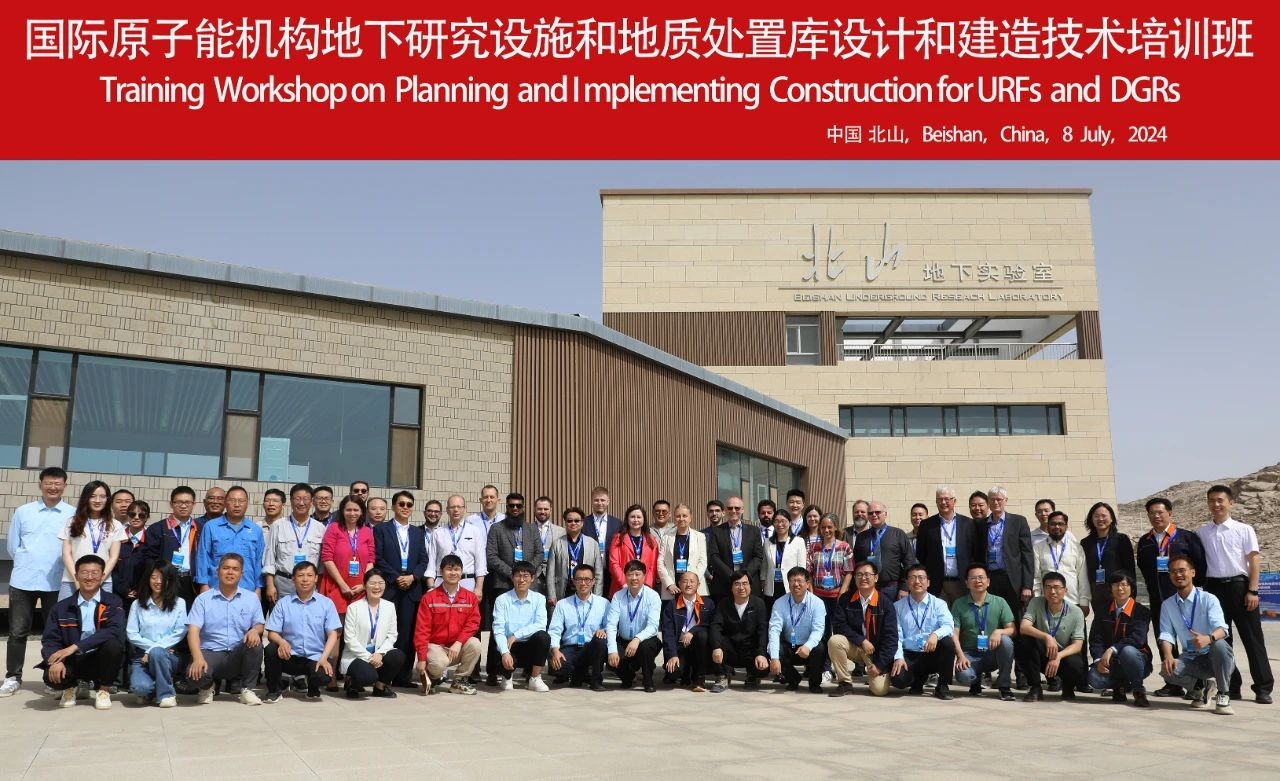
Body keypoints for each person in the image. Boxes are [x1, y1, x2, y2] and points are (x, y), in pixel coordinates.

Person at [3, 467, 77, 698]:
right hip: (23, 580)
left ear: (65, 486)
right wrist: (27, 563)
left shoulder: (72, 514)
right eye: (48, 483)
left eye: (57, 483)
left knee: (53, 633)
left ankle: (51, 677)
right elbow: (13, 546)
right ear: (40, 484)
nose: (53, 487)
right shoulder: (24, 511)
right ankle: (13, 677)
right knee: (17, 632)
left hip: (56, 582)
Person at [1199, 484, 1273, 704]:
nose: (1216, 504)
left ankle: (1263, 688)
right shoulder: (1203, 532)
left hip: (1240, 588)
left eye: (1220, 500)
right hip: (1213, 589)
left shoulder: (1244, 529)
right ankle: (1231, 686)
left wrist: (1252, 590)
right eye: (1212, 500)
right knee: (1222, 641)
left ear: (1230, 503)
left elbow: (1254, 560)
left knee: (1253, 639)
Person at [1136, 497, 1207, 697]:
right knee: (1165, 639)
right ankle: (1173, 683)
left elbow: (1200, 565)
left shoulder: (1186, 537)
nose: (1156, 516)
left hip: (1186, 598)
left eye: (1160, 512)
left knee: (1191, 640)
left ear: (1169, 513)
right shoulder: (1145, 541)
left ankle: (1198, 684)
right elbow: (1143, 567)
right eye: (1152, 513)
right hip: (1159, 600)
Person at [37, 555, 125, 710]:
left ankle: (103, 690)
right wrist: (55, 661)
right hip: (72, 660)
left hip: (99, 659)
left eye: (95, 573)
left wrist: (75, 646)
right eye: (84, 573)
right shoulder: (61, 607)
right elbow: (50, 639)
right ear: (76, 576)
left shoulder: (113, 602)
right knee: (50, 676)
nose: (89, 577)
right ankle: (69, 688)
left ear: (102, 576)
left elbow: (114, 630)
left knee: (114, 646)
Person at [1158, 554, 1236, 715]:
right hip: (1191, 657)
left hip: (1214, 656)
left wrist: (1208, 638)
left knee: (1220, 645)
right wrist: (1168, 656)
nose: (1178, 575)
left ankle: (1223, 693)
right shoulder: (1168, 605)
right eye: (1173, 572)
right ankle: (1201, 687)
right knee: (1167, 670)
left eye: (1182, 570)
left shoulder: (1208, 599)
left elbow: (1223, 629)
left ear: (1192, 572)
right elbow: (1166, 634)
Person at [972, 485, 1033, 688]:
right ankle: (990, 671)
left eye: (999, 499)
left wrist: (1027, 584)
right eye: (992, 499)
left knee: (1018, 626)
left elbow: (1027, 554)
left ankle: (1021, 673)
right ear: (988, 502)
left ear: (1006, 501)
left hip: (1012, 581)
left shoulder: (1018, 521)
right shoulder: (982, 525)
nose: (996, 502)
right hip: (990, 580)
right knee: (989, 624)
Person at [185, 553, 265, 705]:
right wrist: (197, 658)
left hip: (237, 654)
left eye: (235, 569)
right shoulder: (203, 599)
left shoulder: (251, 598)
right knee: (193, 676)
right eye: (226, 568)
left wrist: (255, 630)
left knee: (256, 645)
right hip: (210, 652)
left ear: (241, 574)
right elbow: (193, 631)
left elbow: (259, 624)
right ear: (217, 572)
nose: (230, 572)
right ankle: (207, 687)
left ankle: (247, 689)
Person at [484, 494, 545, 684]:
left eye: (519, 506)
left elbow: (539, 553)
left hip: (527, 583)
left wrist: (525, 573)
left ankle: (528, 669)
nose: (515, 509)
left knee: (529, 624)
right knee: (499, 627)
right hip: (503, 584)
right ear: (507, 507)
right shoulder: (497, 528)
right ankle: (494, 670)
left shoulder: (531, 529)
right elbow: (491, 556)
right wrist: (513, 573)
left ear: (523, 507)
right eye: (512, 506)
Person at [373, 489, 431, 687]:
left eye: (409, 505)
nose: (405, 507)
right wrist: (396, 577)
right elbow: (378, 557)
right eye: (401, 504)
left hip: (411, 589)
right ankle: (382, 675)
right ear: (394, 506)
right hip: (391, 586)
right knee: (386, 632)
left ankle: (403, 676)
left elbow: (423, 560)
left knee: (407, 633)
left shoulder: (417, 532)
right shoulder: (381, 530)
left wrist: (413, 577)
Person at [263, 561, 341, 702]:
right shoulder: (283, 603)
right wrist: (281, 642)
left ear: (316, 578)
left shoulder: (326, 604)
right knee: (270, 649)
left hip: (314, 657)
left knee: (323, 676)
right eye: (300, 575)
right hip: (289, 656)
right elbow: (272, 633)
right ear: (293, 579)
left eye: (309, 575)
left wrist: (324, 658)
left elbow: (333, 634)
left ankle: (313, 687)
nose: (305, 579)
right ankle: (274, 690)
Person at [414, 554, 482, 695]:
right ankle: (431, 676)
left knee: (475, 644)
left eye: (456, 569)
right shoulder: (429, 598)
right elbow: (422, 630)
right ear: (441, 571)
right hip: (435, 648)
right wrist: (421, 659)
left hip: (456, 648)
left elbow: (473, 623)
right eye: (449, 569)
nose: (453, 573)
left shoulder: (470, 597)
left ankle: (459, 681)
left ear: (461, 572)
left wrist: (459, 642)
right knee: (439, 663)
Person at [828, 561, 898, 697]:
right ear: (854, 578)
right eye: (859, 575)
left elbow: (891, 638)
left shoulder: (886, 603)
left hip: (876, 652)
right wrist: (861, 641)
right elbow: (839, 626)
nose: (863, 578)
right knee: (835, 641)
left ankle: (878, 673)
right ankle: (845, 683)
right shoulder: (846, 599)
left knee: (879, 690)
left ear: (876, 577)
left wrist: (879, 665)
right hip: (856, 646)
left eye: (867, 574)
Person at [126, 562, 189, 707]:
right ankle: (156, 687)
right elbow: (132, 633)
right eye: (154, 577)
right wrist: (150, 650)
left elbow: (180, 631)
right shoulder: (137, 604)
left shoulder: (179, 603)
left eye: (163, 578)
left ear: (170, 580)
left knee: (158, 653)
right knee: (140, 688)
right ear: (148, 579)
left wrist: (155, 650)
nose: (158, 581)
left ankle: (167, 695)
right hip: (142, 656)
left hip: (169, 655)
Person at [1087, 571, 1153, 707]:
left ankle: (1138, 690)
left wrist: (1112, 649)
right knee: (1093, 678)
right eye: (1116, 585)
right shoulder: (1102, 610)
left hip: (1136, 661)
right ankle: (1120, 685)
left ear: (1131, 588)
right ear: (1110, 588)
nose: (1120, 588)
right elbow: (1095, 639)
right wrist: (1098, 660)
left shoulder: (1141, 611)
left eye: (1124, 584)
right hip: (1111, 662)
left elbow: (1137, 639)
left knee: (1128, 651)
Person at [951, 563, 1017, 701]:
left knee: (1005, 640)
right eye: (973, 578)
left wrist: (999, 631)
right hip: (970, 654)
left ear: (988, 581)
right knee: (964, 676)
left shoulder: (1000, 602)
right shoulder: (959, 604)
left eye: (981, 577)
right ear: (966, 583)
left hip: (992, 653)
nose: (978, 581)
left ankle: (1004, 686)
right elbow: (954, 634)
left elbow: (1012, 629)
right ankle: (975, 681)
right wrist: (960, 656)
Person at [890, 564, 957, 700]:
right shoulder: (897, 606)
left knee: (948, 643)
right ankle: (918, 680)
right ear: (907, 582)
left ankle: (943, 685)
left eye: (921, 577)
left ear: (928, 582)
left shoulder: (939, 604)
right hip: (910, 653)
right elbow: (896, 635)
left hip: (931, 652)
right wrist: (899, 657)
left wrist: (935, 634)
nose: (917, 581)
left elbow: (949, 626)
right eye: (913, 578)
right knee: (898, 680)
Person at [1018, 572, 1087, 701]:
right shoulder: (1036, 602)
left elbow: (1078, 645)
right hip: (1043, 652)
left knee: (1076, 663)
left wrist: (1058, 656)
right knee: (1025, 642)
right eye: (1048, 587)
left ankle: (1068, 687)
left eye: (1057, 587)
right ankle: (1035, 688)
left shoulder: (1076, 611)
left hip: (1063, 655)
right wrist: (1047, 637)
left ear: (1065, 590)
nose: (1052, 591)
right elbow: (1024, 627)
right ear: (1043, 590)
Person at [340, 570, 405, 698]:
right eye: (372, 583)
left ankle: (380, 687)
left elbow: (392, 635)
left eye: (380, 583)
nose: (377, 587)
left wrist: (380, 653)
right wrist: (369, 657)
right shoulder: (354, 607)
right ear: (364, 586)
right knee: (368, 676)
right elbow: (349, 639)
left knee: (398, 656)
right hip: (357, 655)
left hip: (378, 654)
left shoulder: (389, 607)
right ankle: (352, 684)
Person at [262, 483, 327, 605]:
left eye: (305, 499)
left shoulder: (320, 528)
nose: (301, 503)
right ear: (291, 501)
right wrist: (270, 585)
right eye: (297, 499)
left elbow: (321, 565)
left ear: (311, 502)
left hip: (309, 584)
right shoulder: (278, 525)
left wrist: (319, 586)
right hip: (283, 583)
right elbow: (269, 558)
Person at [58, 480, 125, 599]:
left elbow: (114, 557)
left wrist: (99, 580)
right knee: (66, 611)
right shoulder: (72, 521)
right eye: (93, 496)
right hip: (72, 581)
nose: (97, 500)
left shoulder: (115, 525)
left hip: (103, 582)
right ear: (86, 498)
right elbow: (66, 553)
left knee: (101, 611)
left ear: (107, 499)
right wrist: (77, 580)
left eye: (102, 496)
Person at [549, 563, 610, 691]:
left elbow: (610, 626)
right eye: (579, 579)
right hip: (570, 647)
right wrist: (555, 651)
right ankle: (579, 673)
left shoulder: (603, 603)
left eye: (587, 579)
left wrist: (604, 630)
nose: (583, 583)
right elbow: (554, 630)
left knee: (600, 641)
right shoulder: (563, 604)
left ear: (593, 581)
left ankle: (596, 681)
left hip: (592, 647)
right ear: (573, 581)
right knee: (558, 668)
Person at [492, 561, 552, 691]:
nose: (521, 580)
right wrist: (504, 652)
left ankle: (535, 678)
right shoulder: (502, 599)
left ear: (532, 578)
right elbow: (498, 629)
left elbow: (541, 625)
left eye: (526, 576)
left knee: (544, 637)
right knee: (501, 649)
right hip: (510, 646)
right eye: (518, 576)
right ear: (512, 578)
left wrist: (517, 635)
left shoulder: (539, 599)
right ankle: (507, 677)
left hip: (530, 646)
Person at [194, 486, 264, 596]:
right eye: (232, 500)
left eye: (241, 501)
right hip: (216, 588)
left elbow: (259, 561)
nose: (237, 504)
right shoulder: (211, 527)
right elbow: (203, 557)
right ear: (226, 503)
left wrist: (258, 587)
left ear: (247, 504)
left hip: (247, 589)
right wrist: (203, 584)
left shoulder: (256, 530)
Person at [708, 570, 769, 693]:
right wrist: (716, 647)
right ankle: (723, 676)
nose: (741, 587)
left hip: (750, 649)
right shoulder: (724, 603)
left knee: (763, 668)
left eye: (745, 583)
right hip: (730, 648)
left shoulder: (759, 604)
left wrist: (761, 653)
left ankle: (752, 676)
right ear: (731, 587)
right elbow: (715, 626)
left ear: (750, 586)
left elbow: (762, 631)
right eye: (737, 584)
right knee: (712, 642)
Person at [141, 486, 203, 607]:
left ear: (194, 504)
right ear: (171, 504)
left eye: (187, 502)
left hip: (191, 582)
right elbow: (148, 558)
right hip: (166, 581)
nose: (183, 506)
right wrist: (159, 578)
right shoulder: (158, 528)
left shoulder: (200, 528)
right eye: (179, 502)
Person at [768, 567, 828, 693]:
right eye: (792, 581)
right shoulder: (779, 603)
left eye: (799, 581)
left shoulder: (817, 603)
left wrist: (808, 646)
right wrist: (774, 658)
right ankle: (793, 679)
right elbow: (774, 630)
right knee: (772, 648)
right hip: (789, 645)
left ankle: (814, 683)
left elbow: (818, 630)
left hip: (808, 647)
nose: (796, 584)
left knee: (820, 648)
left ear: (808, 584)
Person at [606, 560, 663, 692]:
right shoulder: (618, 596)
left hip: (644, 640)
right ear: (625, 576)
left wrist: (637, 639)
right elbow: (611, 624)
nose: (634, 578)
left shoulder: (653, 596)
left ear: (644, 576)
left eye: (637, 574)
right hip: (624, 640)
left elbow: (653, 626)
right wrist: (612, 650)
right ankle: (628, 677)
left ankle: (648, 680)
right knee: (607, 648)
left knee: (646, 647)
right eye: (630, 574)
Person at [915, 485, 976, 605]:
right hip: (937, 583)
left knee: (961, 614)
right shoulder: (926, 525)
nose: (943, 502)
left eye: (947, 499)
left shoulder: (968, 524)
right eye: (940, 499)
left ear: (955, 501)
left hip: (962, 583)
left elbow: (974, 552)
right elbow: (921, 554)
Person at [1081, 502, 1136, 622]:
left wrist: (1132, 593)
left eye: (1104, 515)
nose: (1100, 519)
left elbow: (1130, 568)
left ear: (1111, 519)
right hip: (1097, 592)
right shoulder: (1085, 543)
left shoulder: (1121, 539)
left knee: (1120, 623)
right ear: (1091, 520)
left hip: (1119, 590)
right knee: (1102, 624)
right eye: (1096, 516)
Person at [660, 571, 715, 691]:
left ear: (698, 584)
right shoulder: (671, 605)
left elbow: (708, 625)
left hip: (698, 646)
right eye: (685, 581)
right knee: (674, 672)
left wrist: (692, 631)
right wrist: (672, 655)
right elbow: (668, 632)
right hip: (679, 646)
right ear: (679, 584)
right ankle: (685, 671)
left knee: (702, 635)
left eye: (692, 581)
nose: (688, 584)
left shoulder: (708, 603)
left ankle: (699, 679)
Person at [1031, 512, 1091, 614]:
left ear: (1066, 526)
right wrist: (1037, 600)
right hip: (1047, 602)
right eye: (1053, 524)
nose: (1057, 527)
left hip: (1072, 601)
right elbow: (1036, 577)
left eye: (1060, 524)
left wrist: (1084, 602)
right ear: (1047, 526)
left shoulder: (1076, 547)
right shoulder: (1038, 548)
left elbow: (1082, 577)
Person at [852, 501, 912, 598]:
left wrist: (905, 587)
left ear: (885, 514)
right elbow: (856, 563)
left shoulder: (898, 534)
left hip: (892, 589)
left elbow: (909, 561)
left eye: (877, 512)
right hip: (867, 588)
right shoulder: (861, 537)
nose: (874, 515)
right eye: (870, 513)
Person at [428, 495, 487, 593]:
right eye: (452, 507)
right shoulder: (437, 533)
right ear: (447, 510)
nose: (456, 510)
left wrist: (479, 588)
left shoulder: (475, 531)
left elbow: (481, 563)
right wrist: (431, 586)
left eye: (459, 507)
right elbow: (431, 563)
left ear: (465, 509)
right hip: (441, 583)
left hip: (467, 582)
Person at [545, 507, 603, 604]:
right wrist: (551, 595)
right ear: (565, 523)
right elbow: (550, 572)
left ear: (582, 523)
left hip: (586, 590)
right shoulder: (557, 543)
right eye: (569, 521)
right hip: (564, 591)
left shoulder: (593, 544)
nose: (573, 523)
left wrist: (597, 596)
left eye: (576, 521)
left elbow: (599, 573)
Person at [658, 503, 709, 602]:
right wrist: (669, 584)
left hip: (694, 588)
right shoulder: (666, 537)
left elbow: (703, 562)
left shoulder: (700, 537)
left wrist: (691, 582)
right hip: (672, 588)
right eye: (678, 516)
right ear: (674, 518)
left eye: (684, 516)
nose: (681, 519)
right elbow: (660, 562)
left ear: (690, 518)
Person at [608, 504, 661, 594]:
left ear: (643, 519)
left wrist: (646, 585)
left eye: (639, 517)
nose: (636, 520)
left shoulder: (651, 540)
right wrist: (624, 583)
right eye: (632, 517)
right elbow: (613, 563)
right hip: (621, 588)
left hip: (644, 589)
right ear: (627, 519)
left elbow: (653, 566)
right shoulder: (618, 538)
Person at [807, 515, 854, 614]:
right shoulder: (813, 548)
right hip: (818, 596)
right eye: (823, 527)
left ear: (835, 527)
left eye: (829, 527)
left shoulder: (844, 547)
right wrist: (811, 593)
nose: (826, 530)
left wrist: (842, 592)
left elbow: (849, 571)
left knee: (837, 622)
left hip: (837, 595)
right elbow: (809, 572)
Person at [762, 511, 808, 607]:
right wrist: (763, 581)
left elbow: (802, 567)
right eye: (776, 521)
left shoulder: (798, 541)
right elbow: (764, 565)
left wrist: (800, 584)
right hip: (772, 586)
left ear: (790, 522)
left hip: (791, 585)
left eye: (783, 521)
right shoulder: (767, 542)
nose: (780, 524)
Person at [584, 486, 622, 591]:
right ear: (592, 501)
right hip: (590, 572)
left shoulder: (617, 523)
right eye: (596, 500)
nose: (599, 503)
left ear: (608, 501)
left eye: (602, 500)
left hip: (611, 573)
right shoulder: (583, 523)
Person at [115, 499, 151, 607]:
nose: (136, 517)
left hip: (142, 596)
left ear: (147, 517)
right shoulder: (117, 538)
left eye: (141, 515)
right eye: (132, 514)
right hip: (117, 594)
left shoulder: (151, 541)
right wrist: (123, 589)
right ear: (127, 515)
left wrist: (139, 589)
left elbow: (150, 570)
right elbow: (112, 568)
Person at [532, 496, 564, 593]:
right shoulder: (526, 529)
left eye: (545, 509)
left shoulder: (561, 531)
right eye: (539, 509)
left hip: (554, 578)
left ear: (551, 510)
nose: (542, 512)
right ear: (534, 509)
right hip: (533, 577)